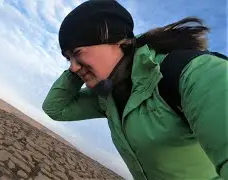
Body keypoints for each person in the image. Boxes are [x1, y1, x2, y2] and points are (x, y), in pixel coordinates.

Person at [42, 0, 228, 179]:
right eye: (68, 59)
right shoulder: (108, 97)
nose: (72, 67)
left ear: (118, 41)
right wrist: (80, 68)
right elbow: (56, 108)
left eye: (77, 53)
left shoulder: (194, 73)